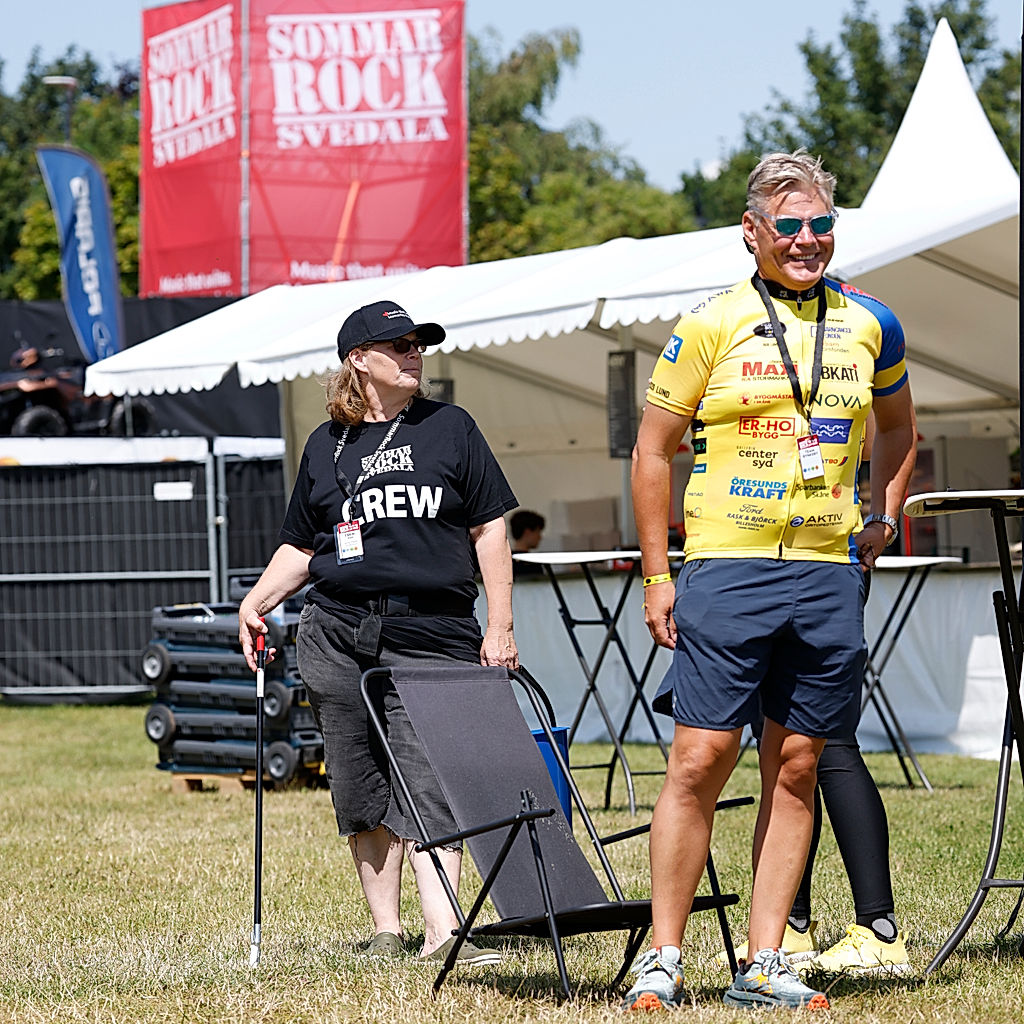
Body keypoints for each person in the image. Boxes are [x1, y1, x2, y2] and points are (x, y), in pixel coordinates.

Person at [624, 150, 917, 1011]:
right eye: (787, 226)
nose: (805, 241)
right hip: (727, 566)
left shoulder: (872, 323)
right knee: (699, 759)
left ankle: (763, 961)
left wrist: (884, 517)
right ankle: (665, 957)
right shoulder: (711, 322)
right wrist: (656, 571)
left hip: (828, 573)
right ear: (750, 233)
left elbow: (900, 429)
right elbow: (651, 450)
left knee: (797, 765)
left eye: (821, 225)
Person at [238, 299, 519, 966]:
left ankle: (446, 932)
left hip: (434, 629)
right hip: (337, 631)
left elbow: (490, 528)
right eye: (399, 345)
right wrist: (256, 601)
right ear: (359, 359)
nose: (415, 353)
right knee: (360, 784)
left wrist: (501, 623)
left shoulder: (451, 428)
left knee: (432, 779)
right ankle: (388, 933)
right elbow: (305, 547)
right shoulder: (325, 445)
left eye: (419, 343)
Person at [509, 509, 546, 578]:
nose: (540, 537)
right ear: (527, 532)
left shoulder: (505, 560)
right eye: (537, 532)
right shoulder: (532, 562)